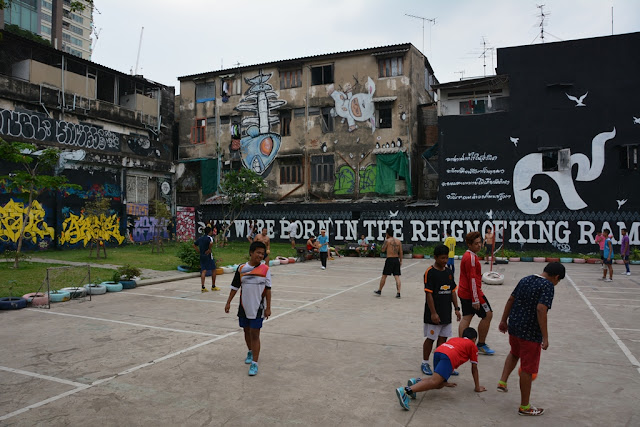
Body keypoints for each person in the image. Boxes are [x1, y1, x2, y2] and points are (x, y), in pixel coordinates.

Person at [497, 262, 566, 416]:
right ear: (556, 277)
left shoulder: (526, 279)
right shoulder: (548, 286)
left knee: (514, 353)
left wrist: (503, 320)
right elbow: (541, 309)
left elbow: (510, 299)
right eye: (558, 280)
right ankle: (525, 406)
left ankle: (502, 381)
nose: (557, 283)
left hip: (514, 326)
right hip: (530, 332)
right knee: (527, 369)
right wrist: (545, 337)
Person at [395, 327, 485, 411]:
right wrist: (477, 387)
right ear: (474, 339)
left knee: (439, 384)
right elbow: (474, 368)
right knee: (435, 382)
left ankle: (417, 381)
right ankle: (406, 391)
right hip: (449, 356)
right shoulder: (472, 345)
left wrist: (445, 381)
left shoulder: (455, 339)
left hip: (438, 351)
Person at [224, 241, 272, 376]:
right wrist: (228, 302)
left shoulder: (265, 270)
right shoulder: (241, 268)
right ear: (251, 252)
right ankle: (250, 351)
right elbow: (234, 287)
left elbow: (268, 290)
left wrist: (268, 307)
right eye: (258, 252)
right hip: (244, 307)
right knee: (246, 331)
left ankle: (254, 364)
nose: (260, 256)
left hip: (258, 308)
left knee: (255, 334)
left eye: (262, 254)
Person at [421, 244, 461, 376]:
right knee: (431, 339)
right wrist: (433, 313)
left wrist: (456, 308)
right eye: (442, 258)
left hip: (446, 313)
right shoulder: (430, 273)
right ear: (435, 257)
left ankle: (440, 366)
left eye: (447, 258)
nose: (445, 261)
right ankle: (425, 362)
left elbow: (452, 292)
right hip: (434, 314)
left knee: (443, 339)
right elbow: (429, 294)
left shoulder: (449, 272)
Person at [458, 231, 495, 355]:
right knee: (488, 314)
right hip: (472, 294)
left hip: (464, 292)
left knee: (467, 317)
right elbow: (472, 280)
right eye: (476, 243)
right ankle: (481, 344)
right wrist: (475, 299)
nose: (479, 245)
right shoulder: (471, 258)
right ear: (469, 244)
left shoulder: (468, 256)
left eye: (480, 243)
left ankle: (462, 346)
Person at [374, 228, 402, 298]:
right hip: (396, 259)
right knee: (397, 276)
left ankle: (380, 290)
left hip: (389, 259)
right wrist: (401, 260)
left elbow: (383, 250)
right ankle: (398, 292)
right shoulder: (398, 241)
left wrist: (384, 242)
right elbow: (401, 252)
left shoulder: (387, 241)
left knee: (384, 275)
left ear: (387, 234)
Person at [193, 226, 219, 292]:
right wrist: (209, 249)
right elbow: (211, 243)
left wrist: (198, 251)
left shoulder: (200, 238)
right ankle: (213, 286)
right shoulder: (209, 238)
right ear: (210, 232)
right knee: (213, 269)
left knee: (203, 270)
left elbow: (194, 245)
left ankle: (203, 287)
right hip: (208, 256)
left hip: (202, 255)